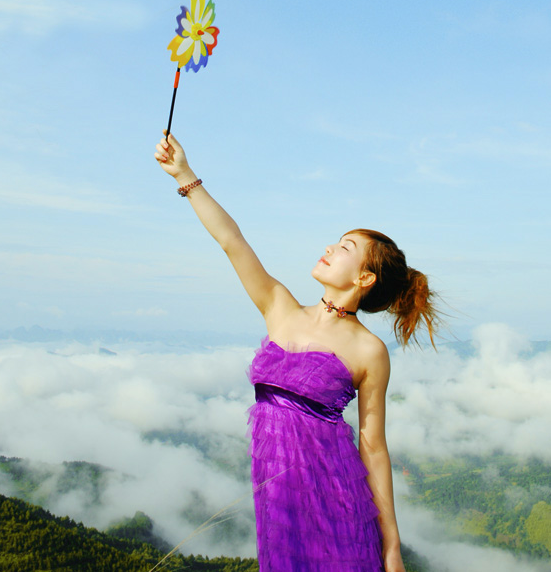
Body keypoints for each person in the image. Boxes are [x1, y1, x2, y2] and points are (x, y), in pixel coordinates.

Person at [155, 132, 438, 572]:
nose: (329, 248)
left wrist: (392, 547)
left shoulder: (369, 350)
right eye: (335, 241)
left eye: (345, 248)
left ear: (365, 279)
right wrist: (186, 176)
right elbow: (233, 242)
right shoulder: (280, 306)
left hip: (340, 499)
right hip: (280, 505)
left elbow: (374, 449)